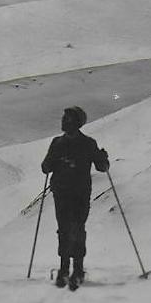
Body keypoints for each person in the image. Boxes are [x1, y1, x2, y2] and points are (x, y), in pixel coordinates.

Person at [41, 106, 109, 290]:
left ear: (76, 122)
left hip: (73, 193)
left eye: (68, 119)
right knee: (69, 229)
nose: (64, 122)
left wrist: (102, 160)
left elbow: (101, 167)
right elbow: (46, 166)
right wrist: (103, 158)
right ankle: (69, 270)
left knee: (72, 228)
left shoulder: (68, 143)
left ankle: (72, 270)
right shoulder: (82, 143)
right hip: (69, 192)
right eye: (64, 118)